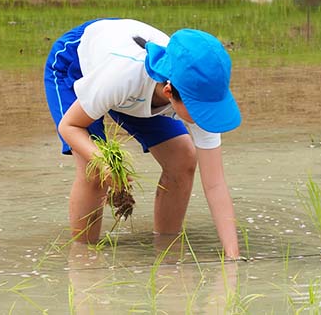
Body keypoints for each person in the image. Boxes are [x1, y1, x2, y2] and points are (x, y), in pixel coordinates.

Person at [43, 18, 242, 258]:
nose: (206, 118)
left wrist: (232, 255)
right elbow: (70, 126)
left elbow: (215, 184)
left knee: (183, 158)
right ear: (170, 93)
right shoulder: (122, 76)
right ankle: (84, 259)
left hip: (134, 91)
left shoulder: (200, 92)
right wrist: (105, 163)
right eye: (201, 110)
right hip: (76, 64)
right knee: (93, 170)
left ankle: (166, 251)